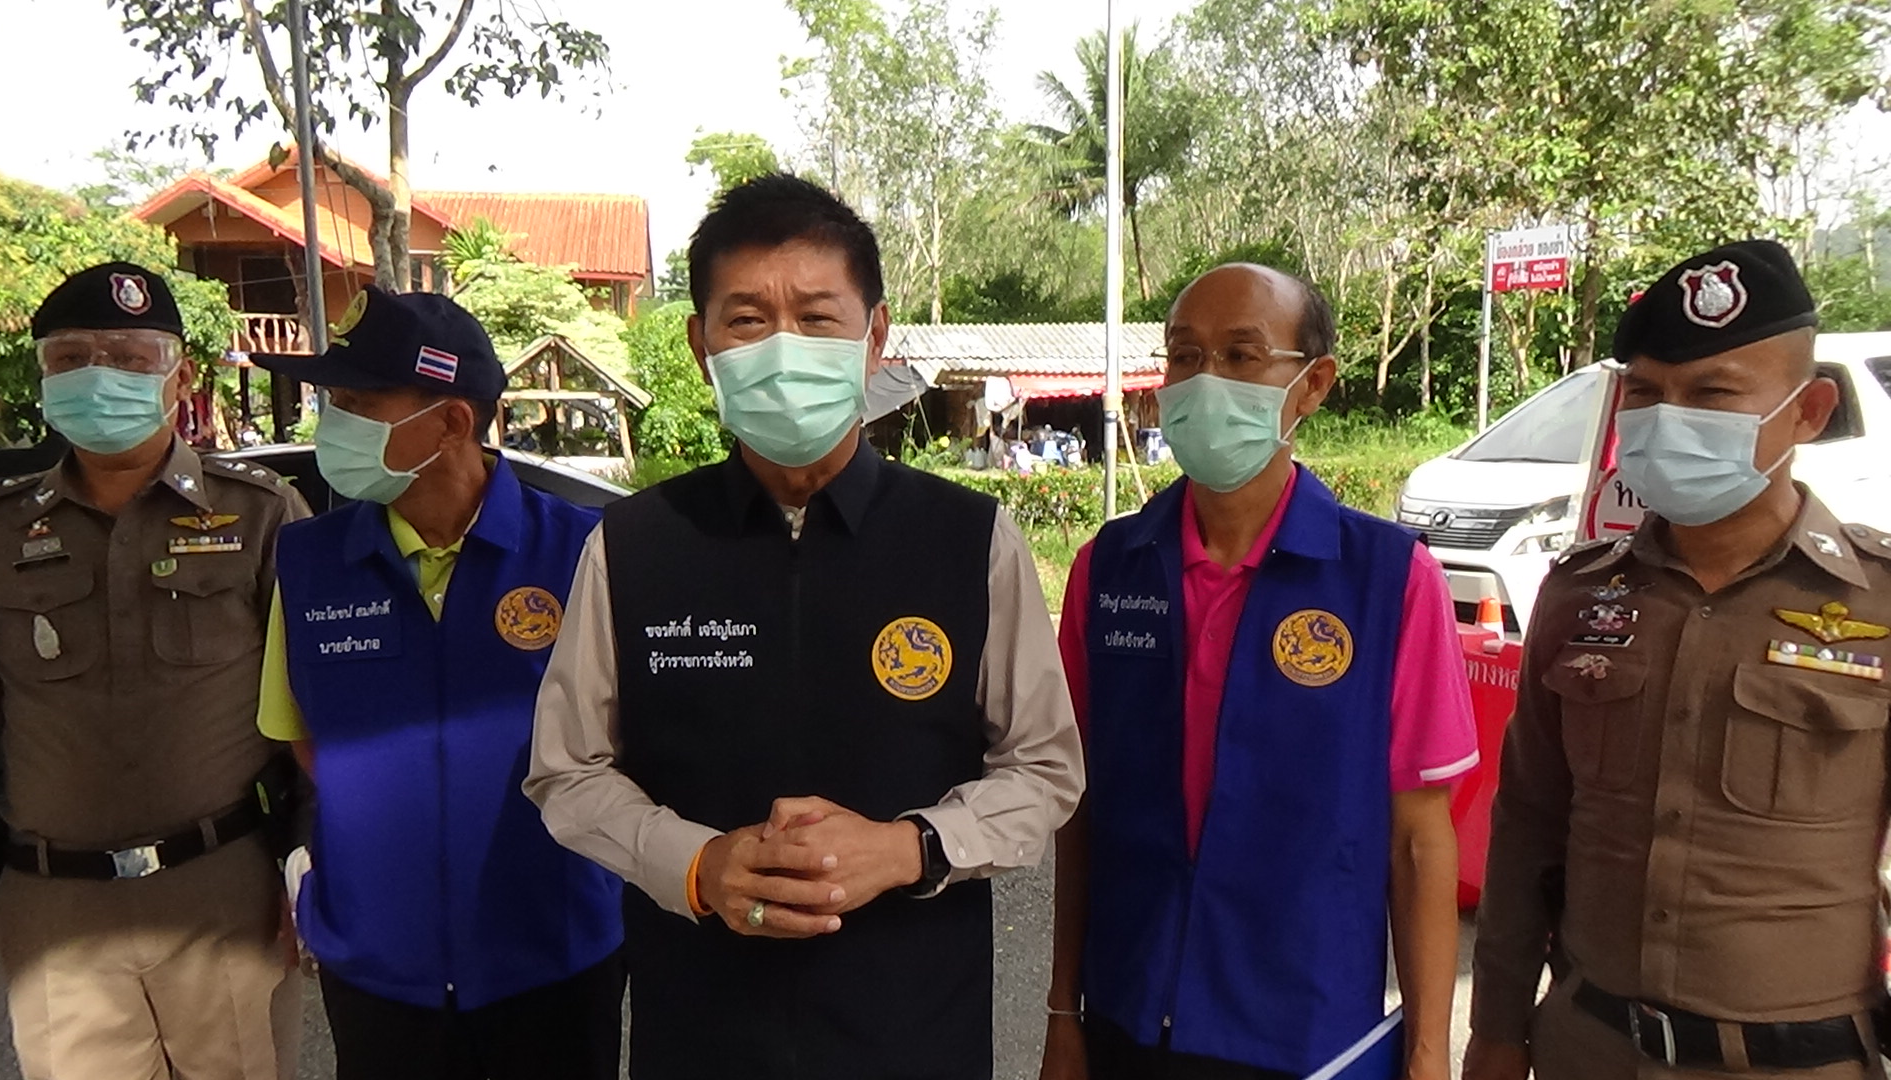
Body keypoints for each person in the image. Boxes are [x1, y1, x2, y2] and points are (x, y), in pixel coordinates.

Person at [525, 173, 1085, 1080]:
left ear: (875, 337)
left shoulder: (968, 539)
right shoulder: (634, 545)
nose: (784, 348)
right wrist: (696, 864)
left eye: (818, 318)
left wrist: (911, 846)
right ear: (701, 346)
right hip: (700, 1036)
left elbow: (1045, 767)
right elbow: (567, 770)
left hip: (915, 1036)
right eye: (747, 320)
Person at [1465, 240, 1891, 1080]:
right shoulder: (1579, 593)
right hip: (1589, 1049)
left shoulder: (1878, 604)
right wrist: (1497, 1029)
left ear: (1808, 412)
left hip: (1800, 1062)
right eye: (1647, 394)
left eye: (1712, 394)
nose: (1668, 419)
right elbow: (1527, 828)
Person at [1042, 263, 1477, 1080]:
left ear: (1312, 385)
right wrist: (1064, 1010)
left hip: (1304, 1037)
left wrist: (1426, 1056)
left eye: (1241, 356)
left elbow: (1420, 841)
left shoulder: (1388, 581)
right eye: (1185, 356)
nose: (1205, 381)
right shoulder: (1110, 569)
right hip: (1129, 1020)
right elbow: (1081, 812)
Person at [250, 288, 625, 1080]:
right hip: (378, 966)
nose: (333, 425)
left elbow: (631, 746)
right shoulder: (309, 562)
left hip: (551, 955)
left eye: (359, 405)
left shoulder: (584, 552)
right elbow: (305, 739)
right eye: (333, 402)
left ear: (452, 422)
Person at [0, 261, 308, 1079]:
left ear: (180, 377)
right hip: (53, 909)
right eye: (71, 358)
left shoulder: (261, 513)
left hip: (226, 893)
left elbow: (319, 713)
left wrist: (312, 865)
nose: (99, 376)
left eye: (128, 358)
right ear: (43, 378)